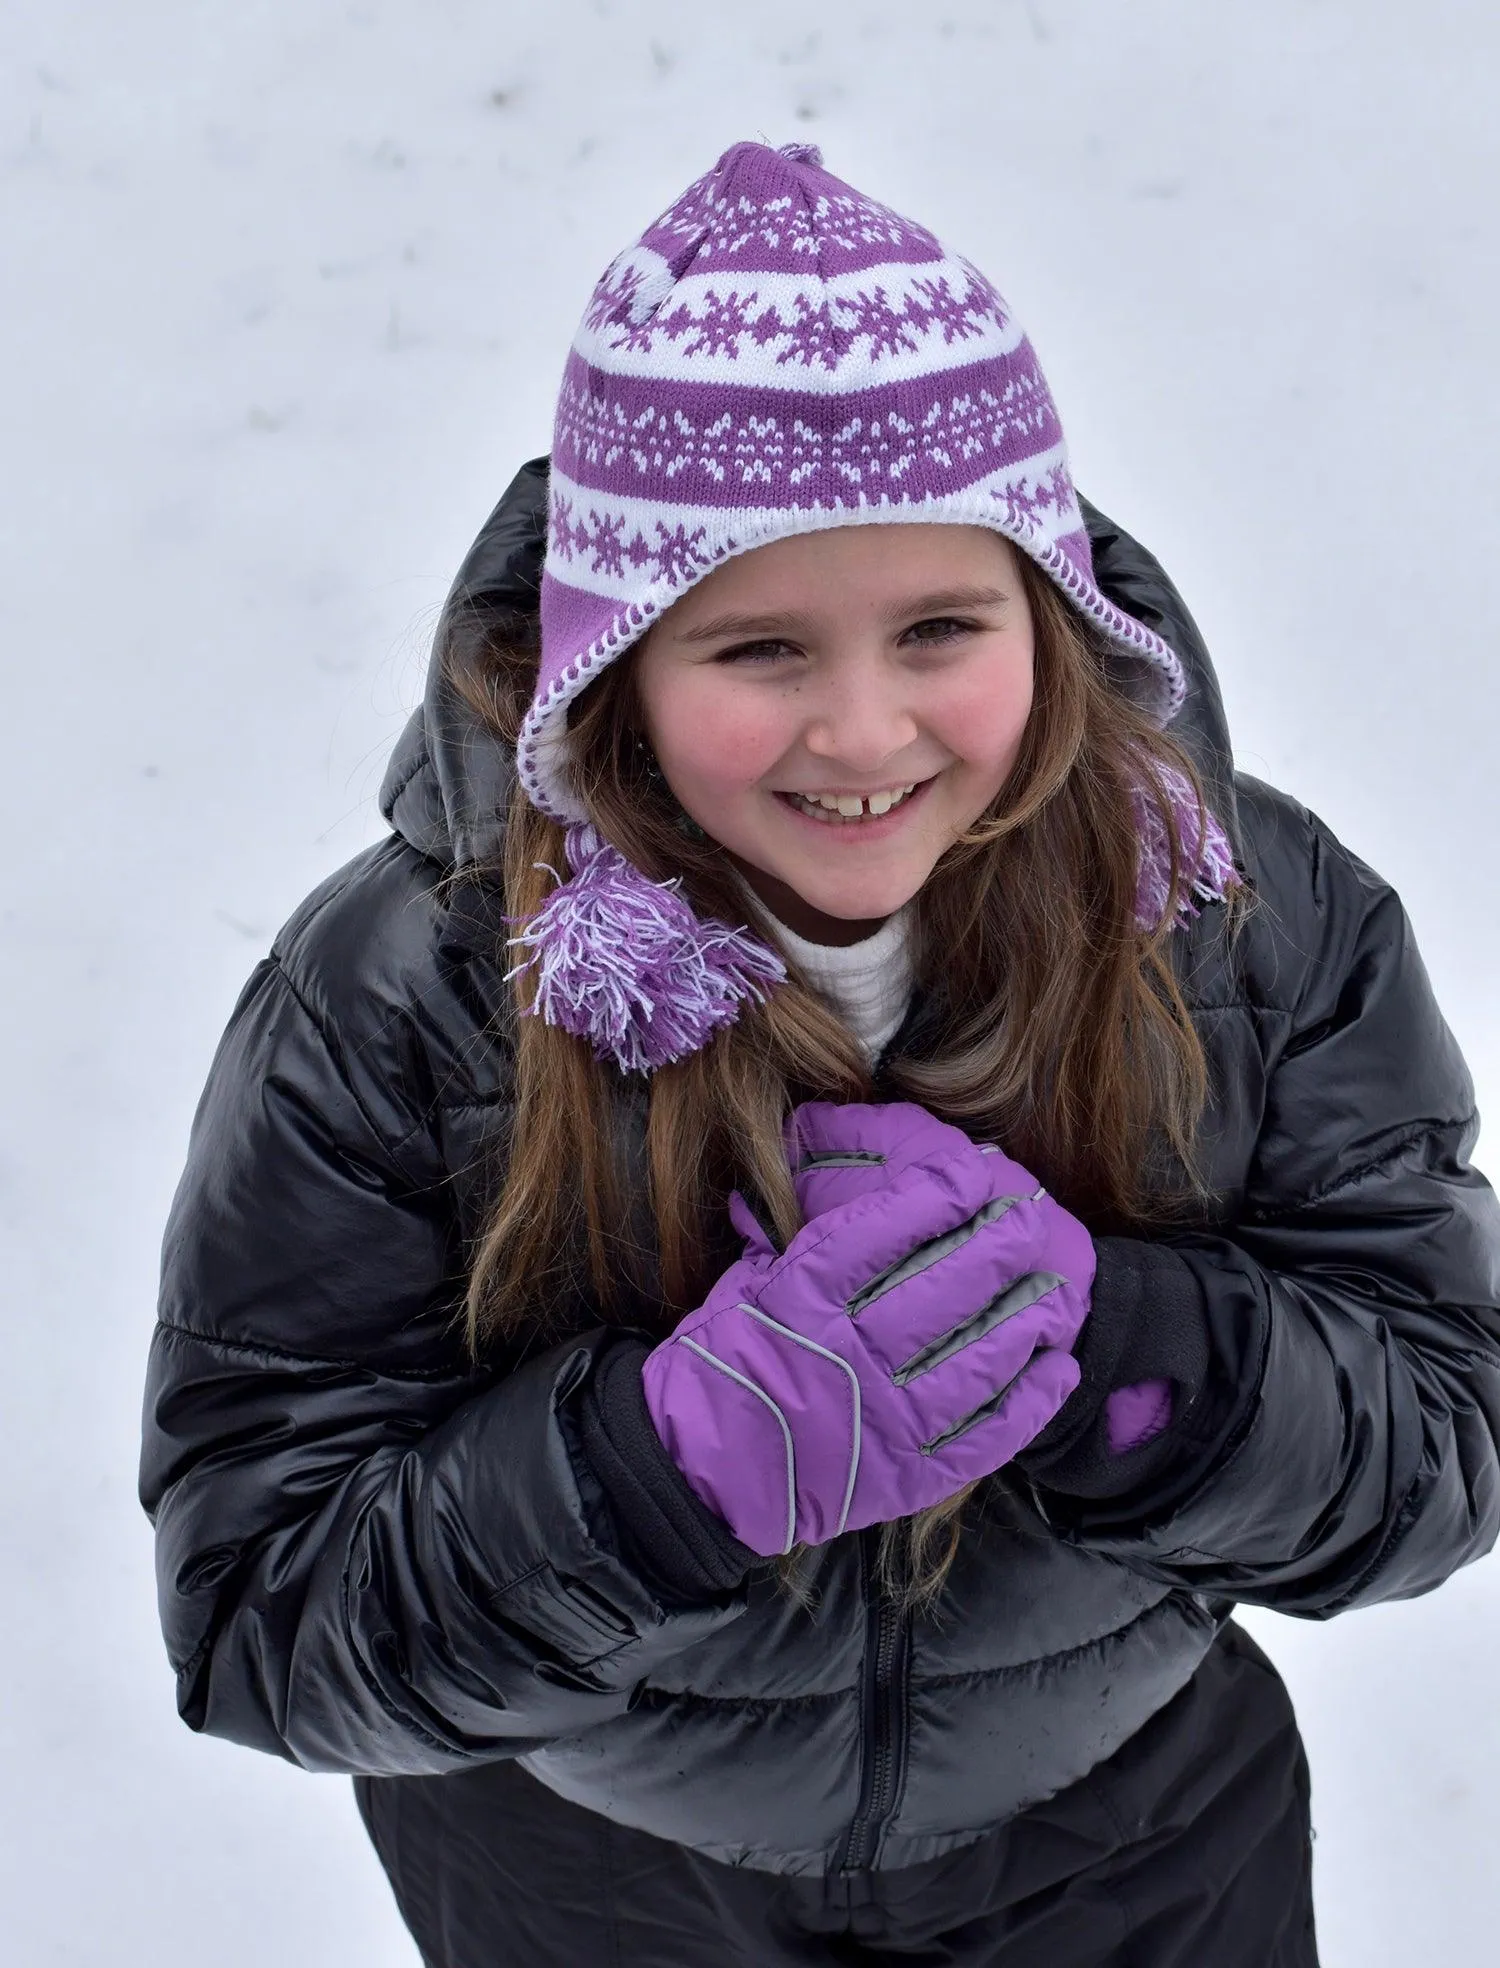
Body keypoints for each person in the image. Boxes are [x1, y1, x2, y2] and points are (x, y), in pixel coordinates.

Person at [139, 141, 1500, 1966]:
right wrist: (662, 1472)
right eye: (758, 646)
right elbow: (262, 1615)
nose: (864, 732)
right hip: (589, 1867)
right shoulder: (411, 992)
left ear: (1058, 615)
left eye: (943, 627)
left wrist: (1123, 1362)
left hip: (1138, 1840)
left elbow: (1449, 1432)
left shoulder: (1250, 919)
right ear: (611, 664)